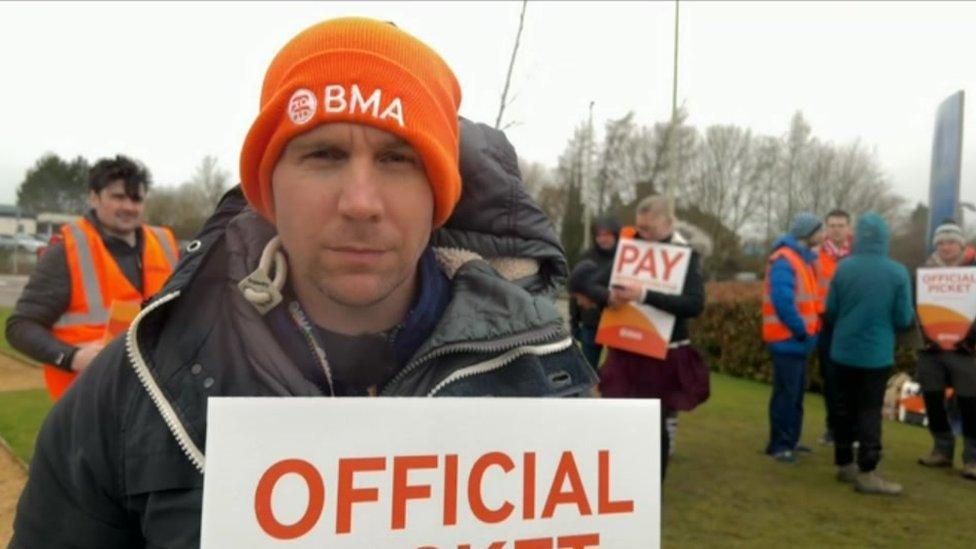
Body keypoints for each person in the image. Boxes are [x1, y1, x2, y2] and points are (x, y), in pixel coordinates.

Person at [11, 18, 595, 548]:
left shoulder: (547, 375)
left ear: (438, 197)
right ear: (268, 188)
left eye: (398, 159)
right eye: (324, 153)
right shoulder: (134, 387)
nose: (360, 203)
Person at [5, 155, 178, 400]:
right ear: (94, 197)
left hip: (152, 399)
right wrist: (72, 357)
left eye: (136, 198)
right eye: (118, 197)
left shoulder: (165, 245)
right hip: (86, 401)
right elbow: (20, 327)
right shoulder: (67, 251)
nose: (129, 206)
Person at [599, 195, 709, 478]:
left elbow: (694, 304)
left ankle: (651, 485)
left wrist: (645, 295)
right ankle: (619, 475)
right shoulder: (629, 248)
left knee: (652, 423)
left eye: (650, 229)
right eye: (640, 228)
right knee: (615, 416)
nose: (643, 235)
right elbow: (598, 282)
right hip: (625, 346)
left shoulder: (685, 256)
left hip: (661, 352)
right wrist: (609, 297)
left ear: (670, 223)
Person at [825, 213, 913, 494]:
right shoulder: (897, 272)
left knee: (843, 408)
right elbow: (903, 318)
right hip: (875, 355)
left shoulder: (843, 268)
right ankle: (868, 470)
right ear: (884, 238)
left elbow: (831, 310)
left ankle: (844, 464)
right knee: (869, 411)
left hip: (842, 351)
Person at [915, 220, 976, 481]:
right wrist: (926, 337)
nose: (946, 247)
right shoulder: (924, 272)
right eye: (941, 242)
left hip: (967, 351)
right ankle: (942, 449)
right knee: (931, 398)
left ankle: (972, 458)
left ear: (961, 243)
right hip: (932, 350)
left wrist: (970, 339)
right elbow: (915, 307)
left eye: (951, 241)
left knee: (970, 403)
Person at [763, 212, 823, 463]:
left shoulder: (798, 259)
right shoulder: (786, 261)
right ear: (807, 234)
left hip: (795, 340)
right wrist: (801, 330)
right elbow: (783, 302)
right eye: (819, 231)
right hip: (788, 339)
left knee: (793, 395)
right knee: (787, 395)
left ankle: (789, 441)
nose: (822, 236)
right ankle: (780, 445)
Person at [814, 209, 854, 445]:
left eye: (841, 225)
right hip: (825, 324)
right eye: (832, 225)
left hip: (851, 323)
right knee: (830, 379)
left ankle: (853, 428)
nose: (836, 230)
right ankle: (832, 427)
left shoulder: (858, 255)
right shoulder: (816, 256)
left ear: (849, 229)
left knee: (853, 380)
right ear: (826, 229)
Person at [568, 216, 621, 370]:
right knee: (587, 370)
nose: (603, 239)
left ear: (615, 235)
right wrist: (574, 322)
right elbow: (575, 292)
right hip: (590, 323)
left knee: (615, 371)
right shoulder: (587, 257)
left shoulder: (625, 256)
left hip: (616, 322)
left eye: (607, 235)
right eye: (599, 235)